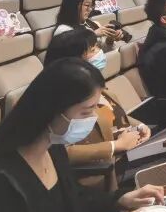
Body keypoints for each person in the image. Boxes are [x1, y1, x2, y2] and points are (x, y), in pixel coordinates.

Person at [0, 58, 165, 212]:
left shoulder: (52, 148)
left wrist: (120, 199)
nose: (92, 119)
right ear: (51, 110)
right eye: (86, 112)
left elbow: (75, 199)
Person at [44, 28, 150, 182]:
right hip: (102, 174)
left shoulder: (94, 87)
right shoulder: (60, 101)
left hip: (129, 154)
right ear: (73, 61)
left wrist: (140, 126)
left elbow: (115, 114)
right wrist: (116, 145)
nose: (100, 53)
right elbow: (59, 152)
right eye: (93, 50)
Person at [54, 0, 126, 50]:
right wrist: (93, 35)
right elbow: (70, 54)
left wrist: (110, 40)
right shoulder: (62, 29)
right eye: (87, 5)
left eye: (91, 6)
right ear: (73, 6)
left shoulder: (93, 24)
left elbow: (101, 51)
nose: (90, 9)